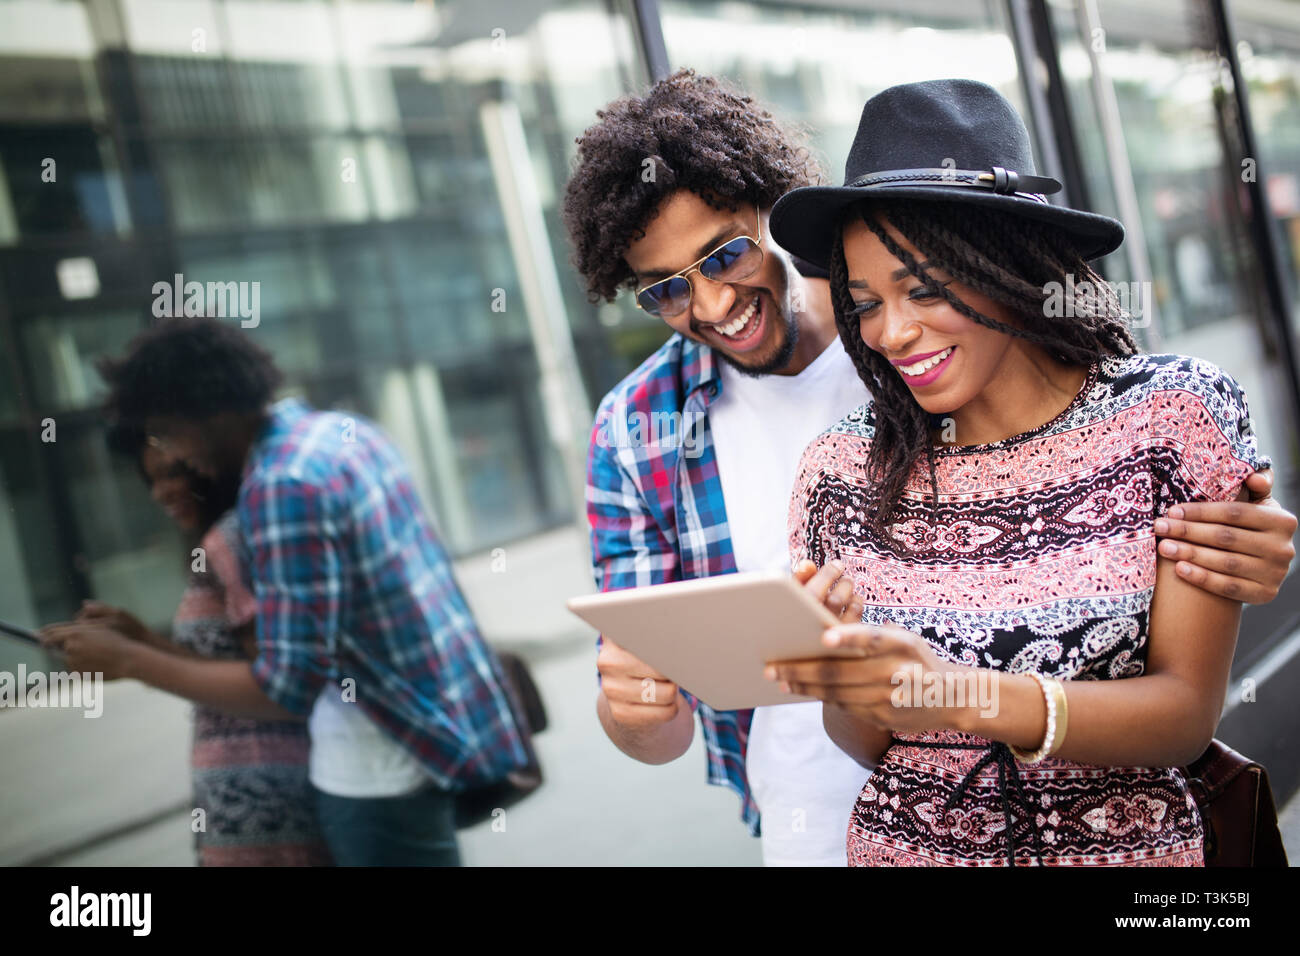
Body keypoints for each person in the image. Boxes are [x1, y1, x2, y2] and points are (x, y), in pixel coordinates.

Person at [564, 68, 1297, 866]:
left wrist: (1243, 542)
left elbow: (1183, 694)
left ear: (770, 217)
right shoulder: (660, 434)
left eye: (725, 255)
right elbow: (668, 700)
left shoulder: (1113, 400)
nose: (708, 305)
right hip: (821, 822)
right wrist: (637, 711)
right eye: (667, 291)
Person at [770, 77, 1285, 865]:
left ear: (1009, 265)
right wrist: (844, 675)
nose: (891, 332)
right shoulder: (842, 471)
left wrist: (962, 697)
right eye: (865, 302)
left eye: (924, 288)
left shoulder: (1169, 417)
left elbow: (1185, 716)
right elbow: (872, 747)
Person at [43, 317, 530, 866]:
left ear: (207, 413)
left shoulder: (282, 485)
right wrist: (144, 646)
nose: (174, 455)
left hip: (375, 774)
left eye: (168, 431)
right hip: (429, 741)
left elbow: (286, 686)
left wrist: (132, 661)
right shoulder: (342, 432)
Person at [57, 423, 331, 865]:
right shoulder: (226, 537)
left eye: (172, 473)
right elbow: (232, 664)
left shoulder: (231, 539)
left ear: (206, 463)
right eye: (152, 480)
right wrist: (142, 638)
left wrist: (132, 659)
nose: (160, 494)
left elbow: (277, 689)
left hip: (271, 817)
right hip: (254, 813)